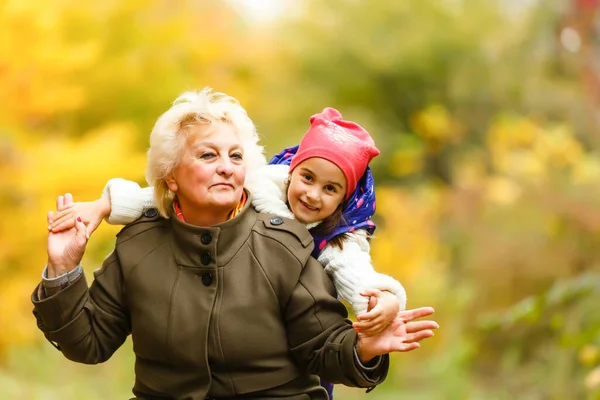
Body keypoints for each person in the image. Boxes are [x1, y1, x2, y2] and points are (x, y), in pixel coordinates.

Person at [33, 88, 439, 400]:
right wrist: (63, 270)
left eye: (235, 156)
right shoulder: (138, 244)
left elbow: (323, 347)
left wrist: (363, 348)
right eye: (208, 155)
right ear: (170, 175)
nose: (226, 166)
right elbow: (88, 343)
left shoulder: (284, 242)